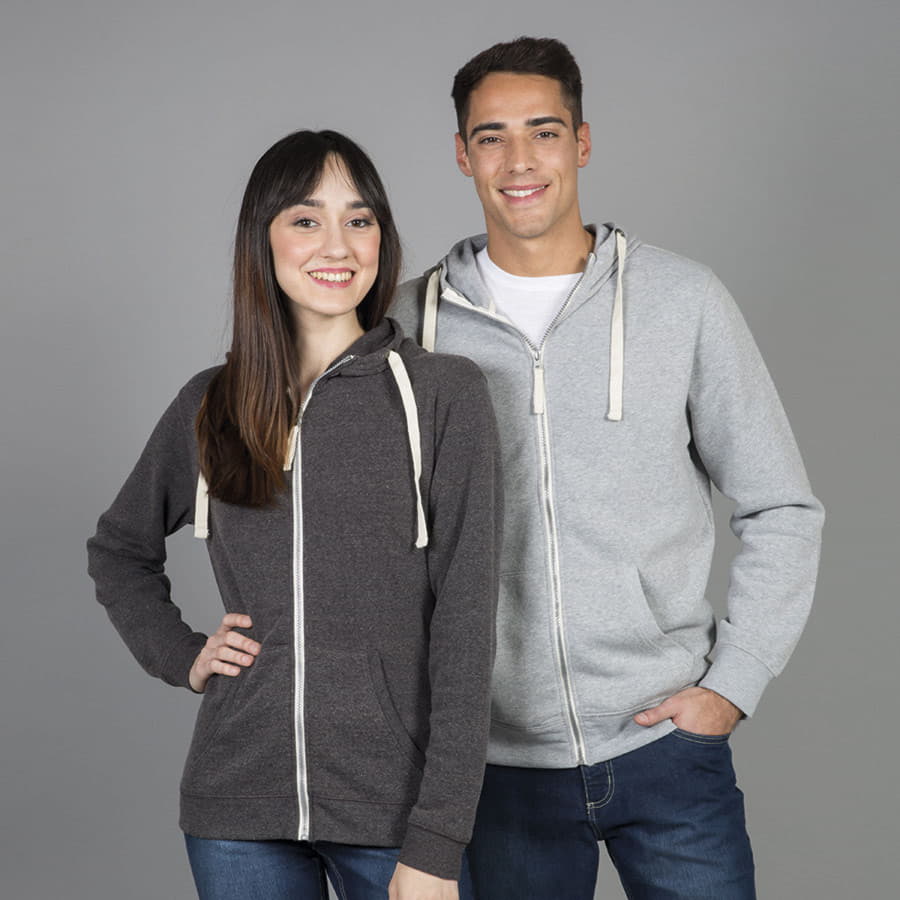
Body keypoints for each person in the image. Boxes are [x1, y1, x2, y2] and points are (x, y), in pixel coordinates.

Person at [389, 37, 824, 900]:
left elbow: (781, 507)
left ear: (582, 142)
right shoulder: (407, 326)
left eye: (544, 132)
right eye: (492, 137)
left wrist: (732, 686)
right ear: (463, 154)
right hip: (490, 770)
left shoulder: (682, 300)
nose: (519, 161)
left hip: (665, 745)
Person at [87, 129, 501, 900]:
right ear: (264, 239)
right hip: (236, 805)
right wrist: (181, 654)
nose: (336, 244)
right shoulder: (213, 403)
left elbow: (467, 624)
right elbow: (120, 549)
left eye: (359, 219)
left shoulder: (444, 395)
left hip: (396, 814)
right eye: (306, 219)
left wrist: (440, 836)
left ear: (381, 237)